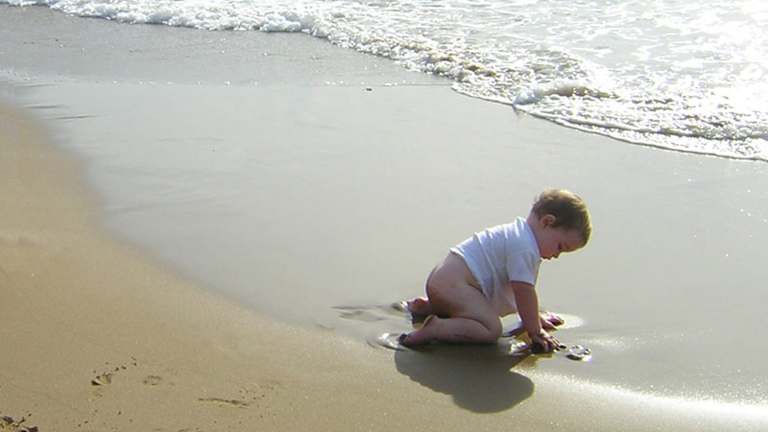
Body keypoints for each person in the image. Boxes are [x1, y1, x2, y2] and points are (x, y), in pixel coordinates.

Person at [401, 189, 591, 353]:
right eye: (560, 247)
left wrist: (535, 317)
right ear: (547, 222)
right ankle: (436, 328)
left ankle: (430, 306)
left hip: (446, 281)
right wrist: (535, 330)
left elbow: (518, 295)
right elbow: (524, 293)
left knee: (477, 308)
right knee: (490, 329)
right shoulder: (525, 248)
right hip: (454, 285)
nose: (557, 255)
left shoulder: (517, 234)